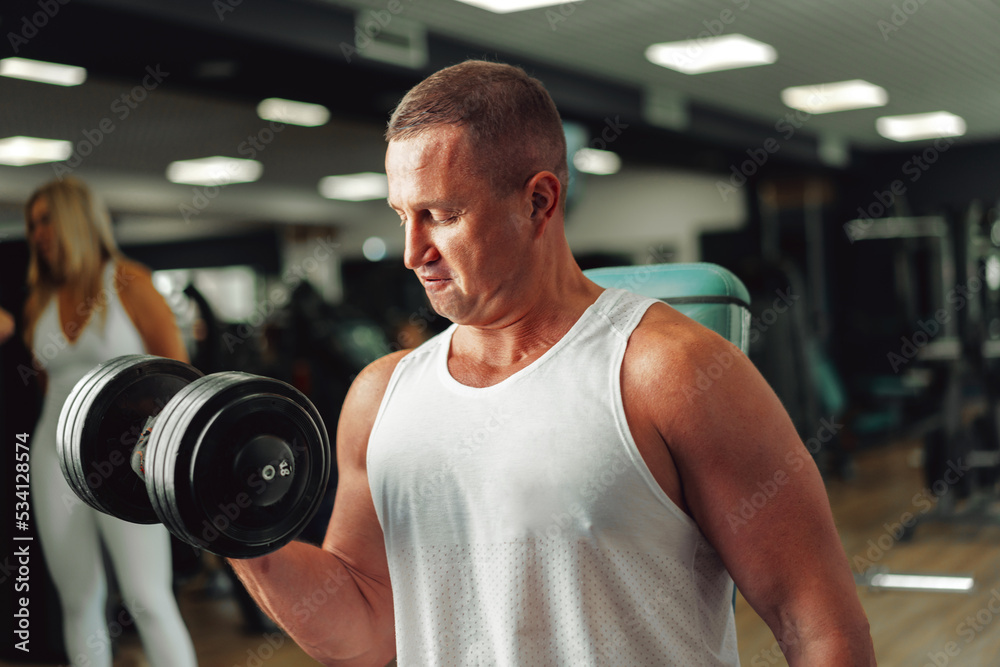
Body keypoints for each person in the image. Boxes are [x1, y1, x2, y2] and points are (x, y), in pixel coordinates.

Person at [231, 61, 876, 666]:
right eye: (403, 215)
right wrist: (226, 521)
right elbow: (366, 629)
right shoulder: (380, 396)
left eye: (442, 215)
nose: (412, 252)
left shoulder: (669, 371)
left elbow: (818, 623)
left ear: (539, 201)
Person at [19, 177, 198, 667]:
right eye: (31, 224)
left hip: (128, 459)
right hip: (53, 456)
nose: (37, 233)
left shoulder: (128, 281)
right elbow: (47, 387)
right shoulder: (40, 301)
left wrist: (157, 454)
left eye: (46, 219)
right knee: (79, 598)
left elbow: (181, 378)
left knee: (147, 596)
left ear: (77, 219)